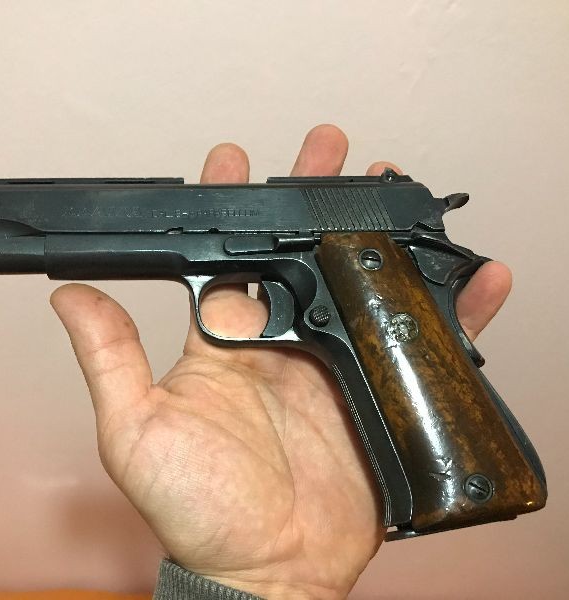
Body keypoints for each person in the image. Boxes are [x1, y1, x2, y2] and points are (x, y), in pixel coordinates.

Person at [49, 125, 512, 599]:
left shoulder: (353, 238)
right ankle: (474, 483)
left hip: (359, 244)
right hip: (356, 241)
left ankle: (472, 482)